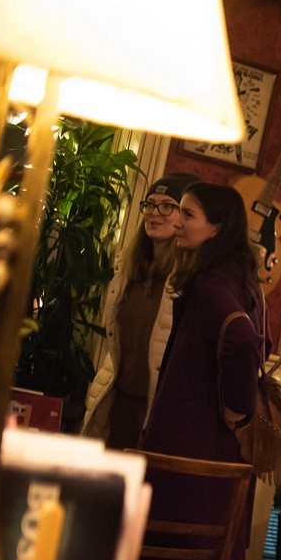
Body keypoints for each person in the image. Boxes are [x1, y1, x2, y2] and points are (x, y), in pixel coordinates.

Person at [140, 182, 264, 560]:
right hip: (217, 454)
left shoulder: (209, 284)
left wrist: (236, 407)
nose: (177, 222)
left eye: (188, 214)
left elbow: (243, 338)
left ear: (217, 228)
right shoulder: (242, 279)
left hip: (190, 448)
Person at [81, 172, 199, 449]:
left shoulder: (187, 278)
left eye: (167, 206)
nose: (154, 213)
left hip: (159, 408)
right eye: (150, 204)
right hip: (118, 400)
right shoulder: (128, 268)